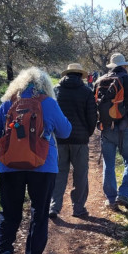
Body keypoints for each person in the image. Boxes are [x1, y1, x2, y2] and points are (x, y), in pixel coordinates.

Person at [0, 67, 72, 254]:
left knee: (9, 213)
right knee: (39, 214)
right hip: (43, 166)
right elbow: (66, 131)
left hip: (9, 167)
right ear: (45, 86)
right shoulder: (48, 103)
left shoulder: (8, 103)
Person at [95, 53, 128, 212]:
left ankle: (111, 200)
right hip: (127, 127)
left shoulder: (100, 81)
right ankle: (123, 192)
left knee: (108, 164)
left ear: (111, 66)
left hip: (106, 128)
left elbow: (94, 105)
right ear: (124, 66)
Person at [49, 63, 97, 219]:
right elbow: (92, 118)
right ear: (80, 75)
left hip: (59, 139)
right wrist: (86, 134)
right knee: (80, 174)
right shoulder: (86, 92)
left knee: (59, 173)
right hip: (80, 140)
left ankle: (54, 206)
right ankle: (78, 208)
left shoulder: (56, 90)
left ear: (66, 74)